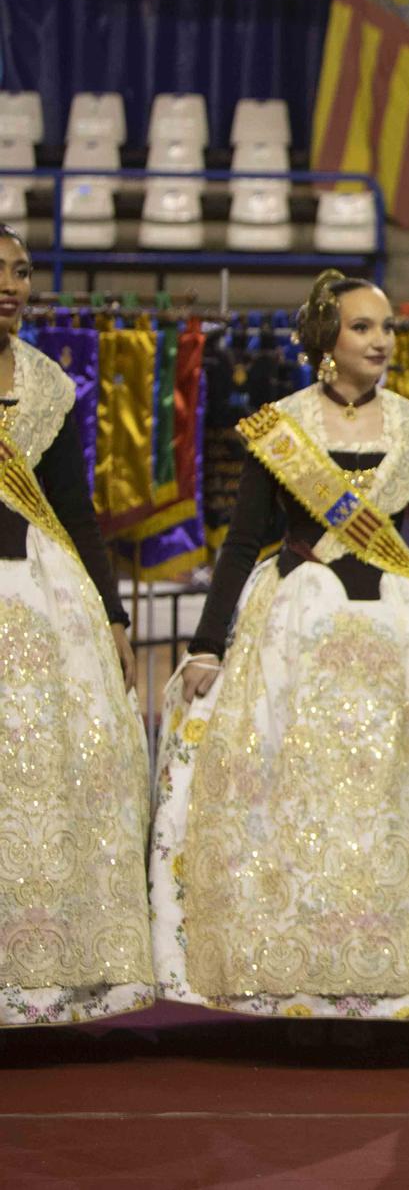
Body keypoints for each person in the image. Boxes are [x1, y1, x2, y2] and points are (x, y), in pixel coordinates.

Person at [151, 269, 409, 1020]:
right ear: (327, 339)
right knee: (298, 808)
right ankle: (302, 984)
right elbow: (241, 543)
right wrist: (206, 643)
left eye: (386, 328)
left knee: (398, 805)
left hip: (400, 640)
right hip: (297, 633)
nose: (380, 340)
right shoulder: (279, 427)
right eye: (362, 327)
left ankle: (395, 985)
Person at [0, 224, 153, 1026]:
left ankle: (45, 974)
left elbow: (75, 514)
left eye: (21, 271)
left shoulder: (50, 386)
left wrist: (115, 618)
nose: (11, 283)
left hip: (43, 605)